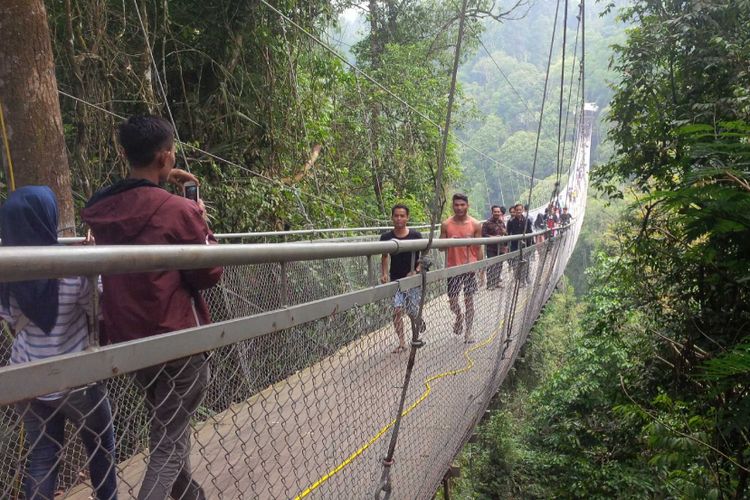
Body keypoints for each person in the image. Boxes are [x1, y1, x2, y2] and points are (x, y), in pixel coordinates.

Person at [82, 115, 223, 500]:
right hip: (179, 341)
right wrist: (200, 219)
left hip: (132, 340)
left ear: (124, 153)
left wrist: (180, 193)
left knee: (167, 427)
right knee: (168, 441)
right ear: (165, 157)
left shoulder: (102, 210)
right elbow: (208, 273)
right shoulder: (177, 211)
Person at [0, 186, 117, 500]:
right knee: (101, 449)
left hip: (30, 379)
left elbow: (11, 318)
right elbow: (98, 301)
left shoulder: (6, 275)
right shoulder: (69, 270)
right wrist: (90, 261)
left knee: (42, 458)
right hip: (76, 379)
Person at [380, 204, 424, 353]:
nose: (399, 219)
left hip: (412, 280)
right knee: (397, 309)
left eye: (402, 216)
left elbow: (423, 257)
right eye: (396, 216)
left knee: (411, 311)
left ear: (407, 217)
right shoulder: (386, 237)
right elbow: (384, 256)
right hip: (396, 279)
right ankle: (401, 342)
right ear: (392, 217)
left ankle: (415, 331)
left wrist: (416, 270)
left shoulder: (416, 236)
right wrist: (384, 273)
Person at [440, 193, 483, 343]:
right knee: (452, 301)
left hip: (470, 268)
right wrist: (449, 241)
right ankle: (459, 316)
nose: (459, 208)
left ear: (467, 205)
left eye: (462, 205)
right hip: (453, 267)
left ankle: (468, 333)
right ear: (452, 206)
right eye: (456, 205)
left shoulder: (475, 224)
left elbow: (479, 248)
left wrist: (481, 269)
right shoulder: (446, 224)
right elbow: (440, 248)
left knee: (469, 300)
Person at [506, 203, 533, 284]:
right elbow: (508, 232)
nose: (518, 211)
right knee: (515, 263)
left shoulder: (527, 220)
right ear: (515, 210)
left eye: (520, 210)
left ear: (523, 210)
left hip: (525, 244)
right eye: (517, 210)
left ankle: (526, 277)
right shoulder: (511, 221)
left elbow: (529, 231)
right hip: (514, 245)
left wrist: (530, 242)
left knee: (526, 261)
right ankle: (519, 280)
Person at [481, 205, 506, 289]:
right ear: (492, 212)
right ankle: (490, 284)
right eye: (495, 212)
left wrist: (505, 233)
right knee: (491, 265)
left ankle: (496, 282)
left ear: (500, 213)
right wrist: (493, 237)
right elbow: (483, 235)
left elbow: (506, 234)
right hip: (491, 248)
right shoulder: (487, 223)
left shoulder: (501, 222)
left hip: (501, 247)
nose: (497, 213)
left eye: (498, 212)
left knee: (499, 265)